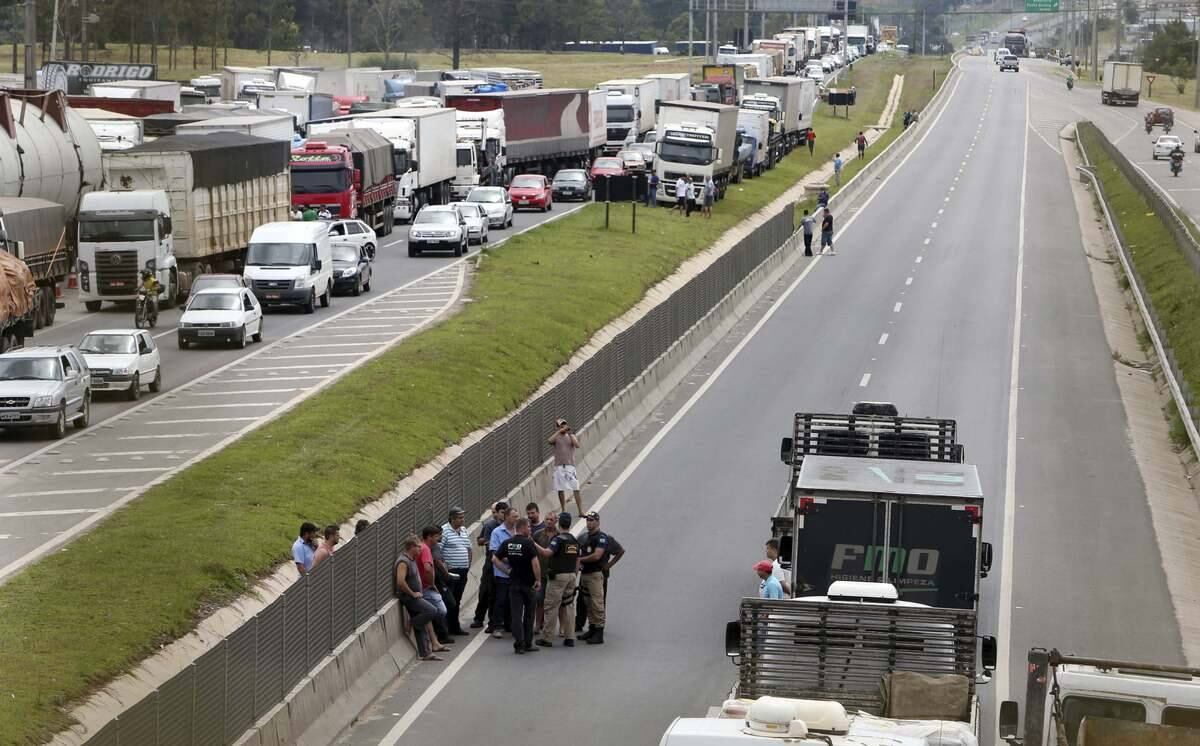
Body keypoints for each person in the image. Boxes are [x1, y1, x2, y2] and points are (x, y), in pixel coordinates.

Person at [493, 518, 542, 654]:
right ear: (523, 527)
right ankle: (528, 643)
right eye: (529, 527)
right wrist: (538, 580)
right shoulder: (528, 543)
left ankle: (518, 644)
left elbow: (494, 558)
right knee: (529, 614)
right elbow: (535, 563)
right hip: (528, 584)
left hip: (514, 583)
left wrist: (506, 570)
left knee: (516, 615)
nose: (530, 530)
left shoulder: (507, 543)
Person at [395, 536, 443, 661]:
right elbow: (400, 582)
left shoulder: (412, 559)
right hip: (409, 598)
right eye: (418, 547)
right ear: (411, 547)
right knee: (431, 610)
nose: (420, 549)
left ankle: (426, 653)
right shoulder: (403, 562)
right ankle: (412, 622)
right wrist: (412, 593)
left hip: (415, 596)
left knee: (420, 625)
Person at [536, 512, 580, 648]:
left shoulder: (558, 539)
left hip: (558, 577)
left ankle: (547, 638)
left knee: (551, 606)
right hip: (571, 576)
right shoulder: (574, 540)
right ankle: (570, 637)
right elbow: (578, 559)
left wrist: (533, 543)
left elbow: (547, 553)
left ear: (559, 524)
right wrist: (574, 573)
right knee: (568, 606)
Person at [472, 501, 507, 629]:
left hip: (502, 562)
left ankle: (496, 620)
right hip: (490, 561)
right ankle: (479, 618)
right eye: (501, 512)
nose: (503, 515)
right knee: (486, 591)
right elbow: (481, 540)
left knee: (498, 593)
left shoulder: (507, 526)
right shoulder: (490, 526)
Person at [577, 511, 610, 645]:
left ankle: (599, 631)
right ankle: (592, 627)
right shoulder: (585, 537)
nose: (588, 522)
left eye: (591, 520)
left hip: (595, 574)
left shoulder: (601, 537)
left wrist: (580, 559)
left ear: (597, 521)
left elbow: (597, 555)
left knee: (597, 603)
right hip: (585, 574)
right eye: (587, 520)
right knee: (587, 602)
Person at [419, 526, 454, 647]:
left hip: (423, 587)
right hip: (426, 587)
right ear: (429, 537)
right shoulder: (426, 549)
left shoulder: (425, 548)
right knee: (440, 610)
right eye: (436, 536)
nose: (439, 538)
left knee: (434, 610)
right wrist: (432, 584)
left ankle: (434, 641)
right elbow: (428, 568)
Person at [488, 506, 519, 638]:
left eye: (517, 516)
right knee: (501, 599)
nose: (516, 519)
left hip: (517, 572)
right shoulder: (497, 532)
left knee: (513, 600)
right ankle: (497, 626)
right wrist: (512, 559)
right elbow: (495, 552)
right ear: (506, 517)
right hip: (502, 572)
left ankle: (510, 624)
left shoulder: (519, 531)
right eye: (514, 516)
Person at [439, 507, 472, 631]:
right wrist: (445, 568)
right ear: (452, 519)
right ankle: (446, 627)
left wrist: (468, 564)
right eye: (460, 518)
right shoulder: (445, 531)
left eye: (463, 517)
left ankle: (455, 626)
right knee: (449, 600)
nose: (462, 520)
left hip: (463, 571)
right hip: (450, 572)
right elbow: (438, 551)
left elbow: (469, 548)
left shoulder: (463, 530)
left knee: (457, 599)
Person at [549, 419, 584, 515]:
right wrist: (559, 432)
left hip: (570, 466)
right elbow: (550, 440)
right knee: (560, 489)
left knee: (576, 488)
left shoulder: (571, 436)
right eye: (561, 425)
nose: (563, 426)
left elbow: (577, 445)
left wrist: (570, 434)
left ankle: (580, 510)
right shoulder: (557, 437)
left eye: (564, 424)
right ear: (558, 427)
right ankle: (564, 509)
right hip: (559, 466)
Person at [532, 509, 558, 633]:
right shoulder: (537, 534)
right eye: (546, 519)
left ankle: (553, 627)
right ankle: (538, 625)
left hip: (555, 575)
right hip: (541, 574)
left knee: (555, 602)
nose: (548, 522)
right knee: (539, 600)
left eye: (551, 520)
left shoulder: (560, 536)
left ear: (556, 521)